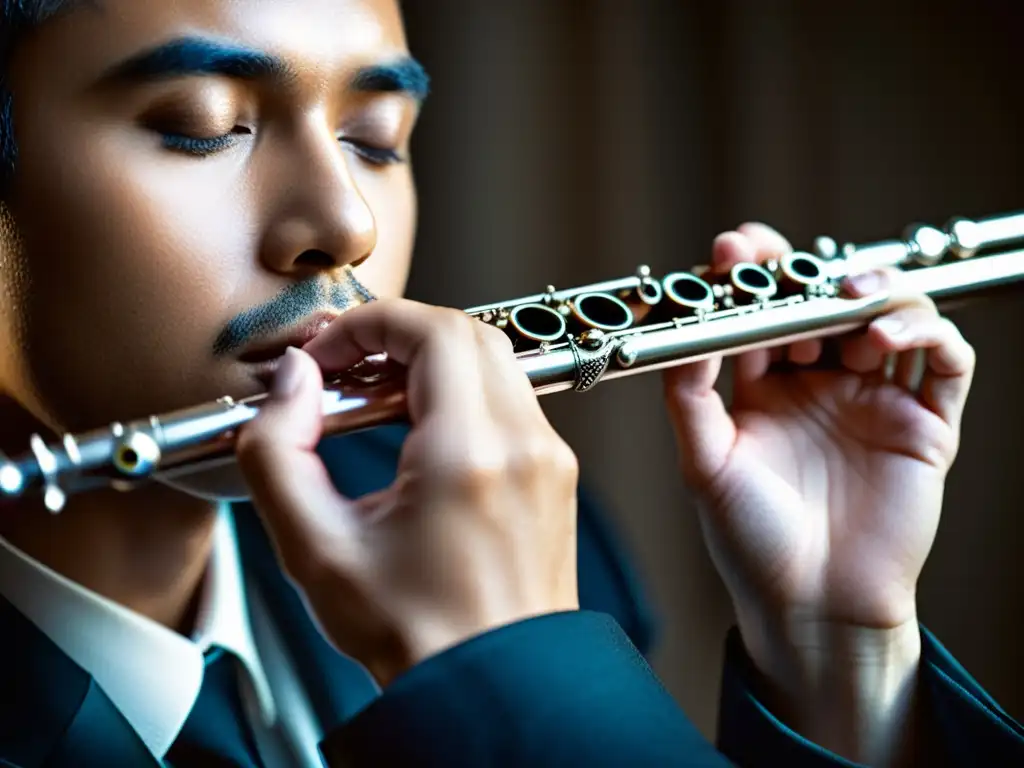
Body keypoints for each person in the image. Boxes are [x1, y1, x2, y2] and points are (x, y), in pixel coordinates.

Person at [0, 0, 1019, 766]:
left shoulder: (507, 529)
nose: (346, 221)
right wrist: (515, 676)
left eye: (375, 141)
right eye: (204, 122)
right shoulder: (503, 580)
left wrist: (836, 654)